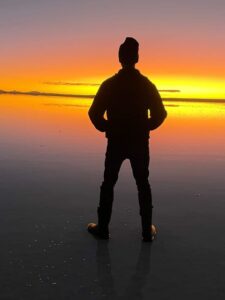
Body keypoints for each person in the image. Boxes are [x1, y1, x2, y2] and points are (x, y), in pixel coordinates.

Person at [87, 37, 167, 242]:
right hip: (139, 143)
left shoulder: (110, 84)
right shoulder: (146, 85)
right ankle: (146, 232)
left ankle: (103, 229)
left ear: (120, 58)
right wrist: (142, 127)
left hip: (116, 142)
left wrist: (110, 128)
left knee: (108, 184)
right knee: (143, 183)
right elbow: (160, 115)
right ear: (137, 58)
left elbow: (94, 114)